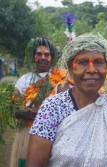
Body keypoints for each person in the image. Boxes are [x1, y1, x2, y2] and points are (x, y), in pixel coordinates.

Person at [27, 34, 107, 166]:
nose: (91, 70)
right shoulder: (53, 107)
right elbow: (35, 164)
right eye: (83, 62)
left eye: (99, 62)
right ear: (70, 68)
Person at [10, 37, 65, 167]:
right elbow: (13, 109)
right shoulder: (24, 80)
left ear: (52, 57)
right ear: (33, 57)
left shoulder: (60, 79)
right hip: (27, 134)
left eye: (47, 54)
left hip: (54, 135)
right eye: (38, 54)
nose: (43, 58)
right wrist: (26, 113)